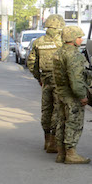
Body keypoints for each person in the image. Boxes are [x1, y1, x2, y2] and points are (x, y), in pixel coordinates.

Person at [52, 25, 91, 164]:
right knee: (73, 123)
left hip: (61, 93)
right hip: (72, 96)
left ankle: (61, 153)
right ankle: (71, 154)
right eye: (79, 37)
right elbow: (75, 79)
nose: (81, 40)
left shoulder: (59, 52)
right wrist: (82, 96)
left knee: (61, 123)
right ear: (73, 38)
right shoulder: (73, 55)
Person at [27, 14, 65, 153]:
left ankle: (47, 140)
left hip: (46, 79)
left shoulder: (38, 42)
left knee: (46, 109)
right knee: (57, 109)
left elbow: (31, 62)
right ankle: (53, 143)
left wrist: (39, 78)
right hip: (59, 80)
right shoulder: (62, 42)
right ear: (59, 26)